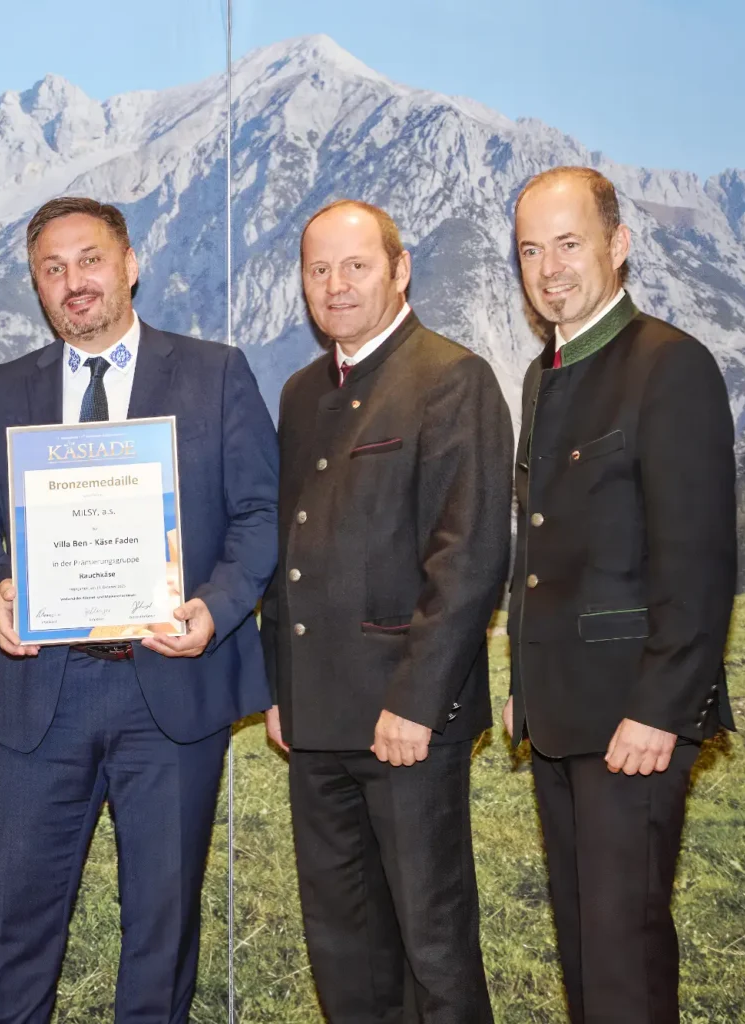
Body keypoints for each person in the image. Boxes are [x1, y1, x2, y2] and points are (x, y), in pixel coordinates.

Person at [0, 196, 278, 1023]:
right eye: (52, 269)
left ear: (130, 265)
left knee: (161, 931)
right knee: (17, 925)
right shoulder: (1, 389)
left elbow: (260, 514)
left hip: (170, 688)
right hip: (45, 694)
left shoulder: (215, 373)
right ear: (37, 286)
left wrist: (214, 609)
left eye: (89, 260)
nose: (74, 282)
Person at [261, 199, 512, 1023]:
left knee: (432, 947)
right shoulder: (302, 392)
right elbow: (289, 549)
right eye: (318, 269)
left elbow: (468, 558)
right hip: (315, 717)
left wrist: (416, 703)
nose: (335, 285)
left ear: (400, 271)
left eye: (356, 266)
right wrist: (279, 687)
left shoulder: (452, 377)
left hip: (405, 722)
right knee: (342, 946)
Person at [504, 166, 736, 1024]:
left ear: (619, 245)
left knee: (622, 966)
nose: (550, 269)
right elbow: (545, 552)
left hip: (632, 723)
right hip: (559, 718)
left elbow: (698, 563)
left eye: (569, 244)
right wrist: (524, 687)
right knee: (584, 958)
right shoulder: (543, 375)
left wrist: (659, 710)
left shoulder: (670, 365)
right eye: (531, 251)